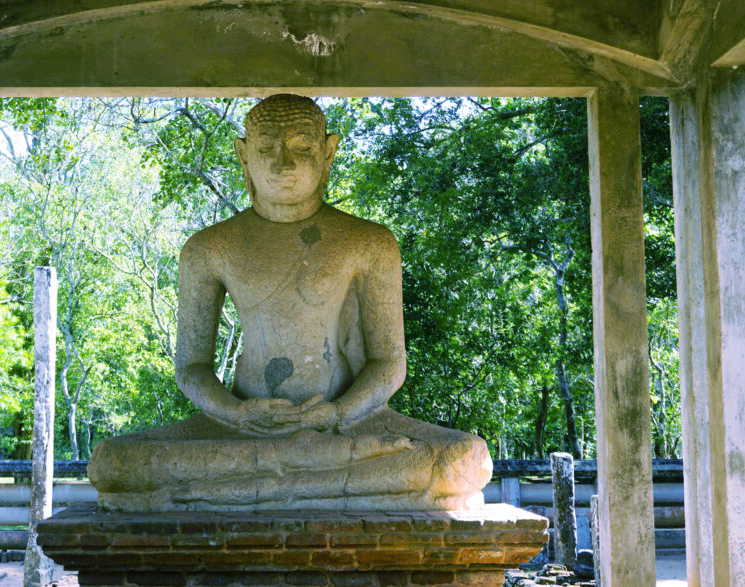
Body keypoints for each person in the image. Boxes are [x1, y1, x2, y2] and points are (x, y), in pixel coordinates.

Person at [88, 94, 491, 511]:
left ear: (328, 151)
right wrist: (237, 415)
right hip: (243, 431)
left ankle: (239, 488)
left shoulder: (369, 242)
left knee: (465, 458)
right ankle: (321, 479)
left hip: (350, 425)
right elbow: (191, 369)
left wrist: (336, 415)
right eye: (266, 149)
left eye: (302, 148)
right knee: (112, 462)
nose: (283, 164)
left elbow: (389, 364)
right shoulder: (209, 248)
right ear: (243, 153)